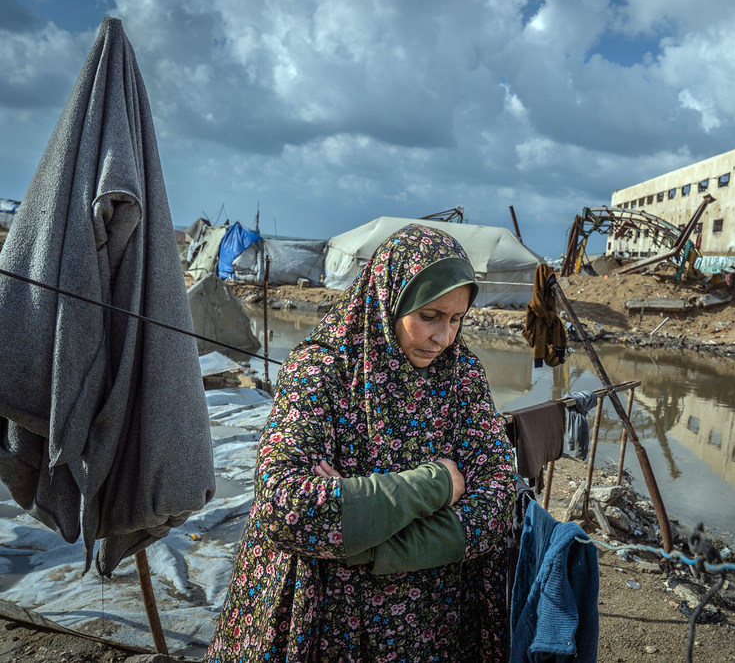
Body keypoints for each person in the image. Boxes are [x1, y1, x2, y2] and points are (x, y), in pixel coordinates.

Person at [205, 224, 517, 661]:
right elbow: (285, 505)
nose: (444, 338)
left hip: (429, 623)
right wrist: (439, 484)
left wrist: (367, 539)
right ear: (390, 298)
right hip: (321, 615)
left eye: (456, 319)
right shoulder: (322, 369)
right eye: (429, 316)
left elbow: (499, 498)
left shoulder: (461, 374)